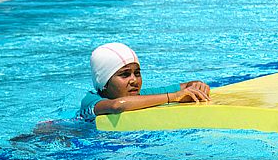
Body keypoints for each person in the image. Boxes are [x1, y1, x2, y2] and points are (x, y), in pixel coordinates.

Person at [79, 42, 211, 120]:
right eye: (125, 75)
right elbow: (117, 106)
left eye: (137, 73)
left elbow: (185, 86)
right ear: (104, 82)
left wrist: (196, 85)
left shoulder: (139, 96)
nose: (134, 80)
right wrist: (174, 97)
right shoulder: (91, 100)